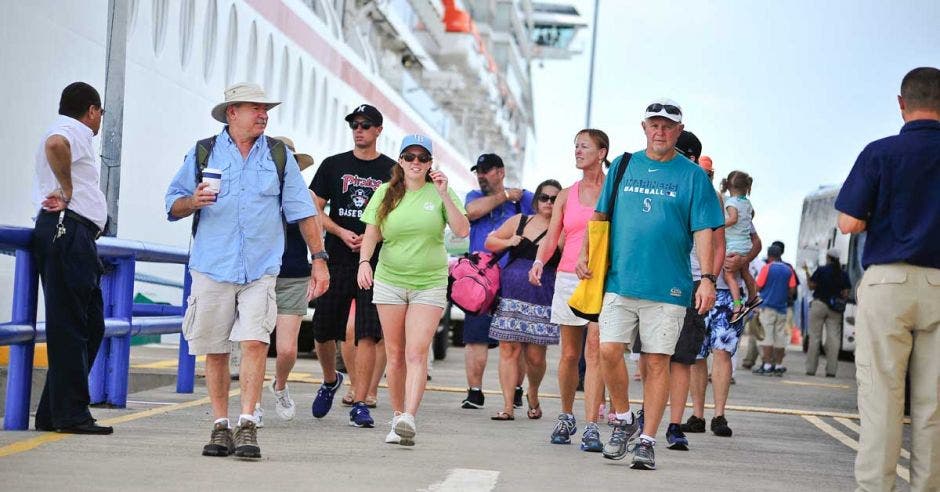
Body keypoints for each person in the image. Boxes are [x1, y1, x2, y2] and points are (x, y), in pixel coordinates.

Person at [165, 83, 329, 458]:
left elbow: (304, 211)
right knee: (216, 348)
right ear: (231, 113)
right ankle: (220, 425)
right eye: (255, 108)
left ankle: (248, 424)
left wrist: (319, 259)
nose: (263, 114)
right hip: (212, 265)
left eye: (265, 108)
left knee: (256, 341)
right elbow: (172, 203)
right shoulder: (203, 152)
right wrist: (193, 200)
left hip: (260, 268)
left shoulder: (278, 156)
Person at [584, 99, 723, 470]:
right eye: (654, 125)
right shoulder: (625, 165)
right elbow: (600, 214)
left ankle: (646, 441)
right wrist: (587, 254)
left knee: (656, 363)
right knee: (608, 351)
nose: (660, 131)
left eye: (667, 126)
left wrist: (708, 279)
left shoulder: (692, 176)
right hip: (620, 280)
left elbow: (705, 230)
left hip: (669, 289)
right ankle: (625, 417)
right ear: (644, 128)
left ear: (678, 131)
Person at [835, 67, 940, 491]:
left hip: (889, 283)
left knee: (881, 400)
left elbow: (848, 222)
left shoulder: (879, 153)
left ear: (901, 103)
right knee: (933, 405)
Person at [357, 134, 469, 446]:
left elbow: (462, 231)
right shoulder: (385, 192)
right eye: (409, 157)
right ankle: (396, 416)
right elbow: (371, 233)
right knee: (394, 354)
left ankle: (409, 416)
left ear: (431, 162)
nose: (416, 163)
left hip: (429, 282)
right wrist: (364, 262)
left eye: (422, 158)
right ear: (400, 161)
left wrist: (445, 194)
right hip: (390, 279)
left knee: (416, 352)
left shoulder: (440, 192)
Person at [31, 82, 112, 435]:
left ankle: (54, 410)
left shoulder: (71, 131)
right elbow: (55, 145)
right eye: (100, 114)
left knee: (89, 325)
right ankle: (72, 414)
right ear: (92, 111)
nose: (98, 122)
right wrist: (67, 189)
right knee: (72, 327)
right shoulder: (73, 130)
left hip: (75, 235)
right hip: (68, 231)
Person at [308, 104, 395, 427]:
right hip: (336, 259)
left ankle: (360, 400)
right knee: (322, 331)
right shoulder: (333, 165)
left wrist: (373, 235)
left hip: (373, 263)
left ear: (378, 131)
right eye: (355, 124)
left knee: (367, 333)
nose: (359, 129)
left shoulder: (391, 171)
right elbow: (313, 207)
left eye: (366, 125)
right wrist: (340, 231)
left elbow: (397, 213)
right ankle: (331, 380)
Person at [530, 129, 609, 451]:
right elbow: (552, 237)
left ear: (602, 152)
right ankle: (566, 415)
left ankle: (591, 424)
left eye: (584, 146)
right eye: (575, 146)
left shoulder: (613, 192)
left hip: (602, 280)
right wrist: (539, 261)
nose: (577, 151)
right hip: (566, 278)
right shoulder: (565, 194)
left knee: (596, 352)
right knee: (569, 354)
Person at [659, 130, 722, 451]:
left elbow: (718, 243)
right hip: (656, 279)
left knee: (683, 357)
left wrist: (709, 279)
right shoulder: (659, 182)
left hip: (692, 281)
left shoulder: (706, 192)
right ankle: (649, 414)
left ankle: (675, 423)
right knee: (651, 356)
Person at [461, 154, 534, 409]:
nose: (481, 175)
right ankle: (474, 391)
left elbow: (544, 217)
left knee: (516, 338)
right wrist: (505, 197)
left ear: (500, 172)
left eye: (486, 170)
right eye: (478, 170)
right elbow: (471, 213)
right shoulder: (474, 197)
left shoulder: (525, 199)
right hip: (480, 279)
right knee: (475, 337)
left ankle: (515, 388)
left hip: (513, 278)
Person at [485, 179, 562, 421]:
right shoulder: (520, 221)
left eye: (554, 198)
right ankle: (507, 406)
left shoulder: (563, 229)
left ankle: (533, 392)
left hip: (543, 295)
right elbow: (490, 242)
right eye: (544, 197)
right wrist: (509, 241)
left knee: (535, 357)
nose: (548, 202)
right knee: (508, 348)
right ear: (536, 199)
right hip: (511, 294)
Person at [259, 137, 316, 424]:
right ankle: (252, 406)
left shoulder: (300, 196)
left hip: (293, 274)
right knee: (255, 344)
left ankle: (279, 385)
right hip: (259, 274)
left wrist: (320, 262)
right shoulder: (257, 192)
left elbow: (313, 231)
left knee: (287, 349)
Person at [684, 228, 762, 438]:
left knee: (722, 352)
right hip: (695, 288)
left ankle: (719, 416)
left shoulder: (732, 212)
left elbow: (756, 242)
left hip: (727, 295)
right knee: (697, 355)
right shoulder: (690, 211)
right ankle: (697, 415)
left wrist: (744, 259)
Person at [720, 170, 761, 322]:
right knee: (745, 272)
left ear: (729, 186)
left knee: (729, 275)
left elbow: (733, 219)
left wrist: (719, 225)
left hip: (734, 245)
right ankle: (753, 297)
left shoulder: (730, 203)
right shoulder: (747, 203)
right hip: (745, 244)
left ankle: (738, 306)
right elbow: (750, 216)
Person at [803, 248, 850, 377]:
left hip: (819, 305)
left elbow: (811, 286)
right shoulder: (843, 274)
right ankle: (831, 371)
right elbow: (846, 293)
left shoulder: (821, 270)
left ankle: (811, 369)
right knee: (833, 339)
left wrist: (807, 271)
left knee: (814, 338)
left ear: (828, 257)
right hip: (834, 309)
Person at [752, 244, 798, 376]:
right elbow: (793, 290)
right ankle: (778, 365)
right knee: (780, 337)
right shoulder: (788, 269)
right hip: (782, 308)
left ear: (769, 255)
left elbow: (758, 286)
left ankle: (766, 365)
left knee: (767, 336)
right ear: (780, 255)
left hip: (767, 307)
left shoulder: (767, 268)